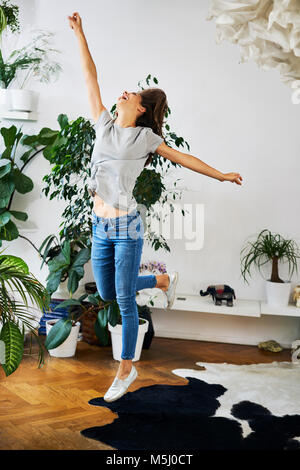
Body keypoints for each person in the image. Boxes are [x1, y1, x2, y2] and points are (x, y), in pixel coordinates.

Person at [68, 12, 243, 402]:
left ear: (142, 109)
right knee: (111, 293)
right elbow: (89, 76)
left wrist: (222, 176)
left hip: (127, 227)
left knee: (125, 302)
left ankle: (125, 369)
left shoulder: (145, 138)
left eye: (130, 93)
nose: (123, 93)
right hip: (99, 226)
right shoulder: (104, 125)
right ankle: (162, 281)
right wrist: (81, 33)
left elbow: (183, 158)